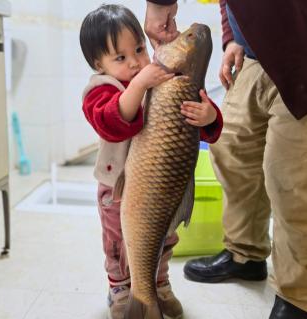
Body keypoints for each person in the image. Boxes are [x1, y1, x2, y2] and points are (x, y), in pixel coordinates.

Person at [144, 1, 307, 318]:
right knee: (231, 148)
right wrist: (233, 37)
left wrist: (159, 4)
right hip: (252, 59)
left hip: (301, 55)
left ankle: (299, 295)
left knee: (292, 178)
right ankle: (245, 256)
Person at [79, 4, 223, 319]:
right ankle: (122, 289)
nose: (134, 63)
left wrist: (209, 115)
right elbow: (113, 121)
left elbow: (200, 124)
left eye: (140, 49)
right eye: (121, 57)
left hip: (165, 189)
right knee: (119, 245)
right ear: (98, 64)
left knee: (163, 238)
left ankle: (156, 285)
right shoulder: (101, 90)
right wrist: (142, 83)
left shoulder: (163, 79)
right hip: (117, 190)